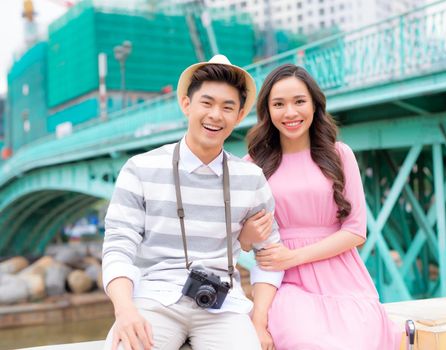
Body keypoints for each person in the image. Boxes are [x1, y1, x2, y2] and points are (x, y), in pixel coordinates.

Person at [102, 55, 283, 350]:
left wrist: (259, 321)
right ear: (186, 104)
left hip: (224, 305)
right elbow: (118, 246)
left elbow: (271, 256)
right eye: (207, 103)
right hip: (153, 299)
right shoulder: (141, 168)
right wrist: (124, 310)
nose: (216, 115)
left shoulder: (251, 178)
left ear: (239, 116)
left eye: (228, 107)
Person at [239, 64, 401, 350]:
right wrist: (250, 234)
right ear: (267, 110)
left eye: (299, 102)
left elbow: (355, 232)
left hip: (344, 279)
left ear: (315, 105)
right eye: (279, 104)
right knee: (306, 341)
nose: (290, 113)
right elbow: (239, 240)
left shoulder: (340, 155)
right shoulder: (253, 165)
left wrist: (294, 256)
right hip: (284, 282)